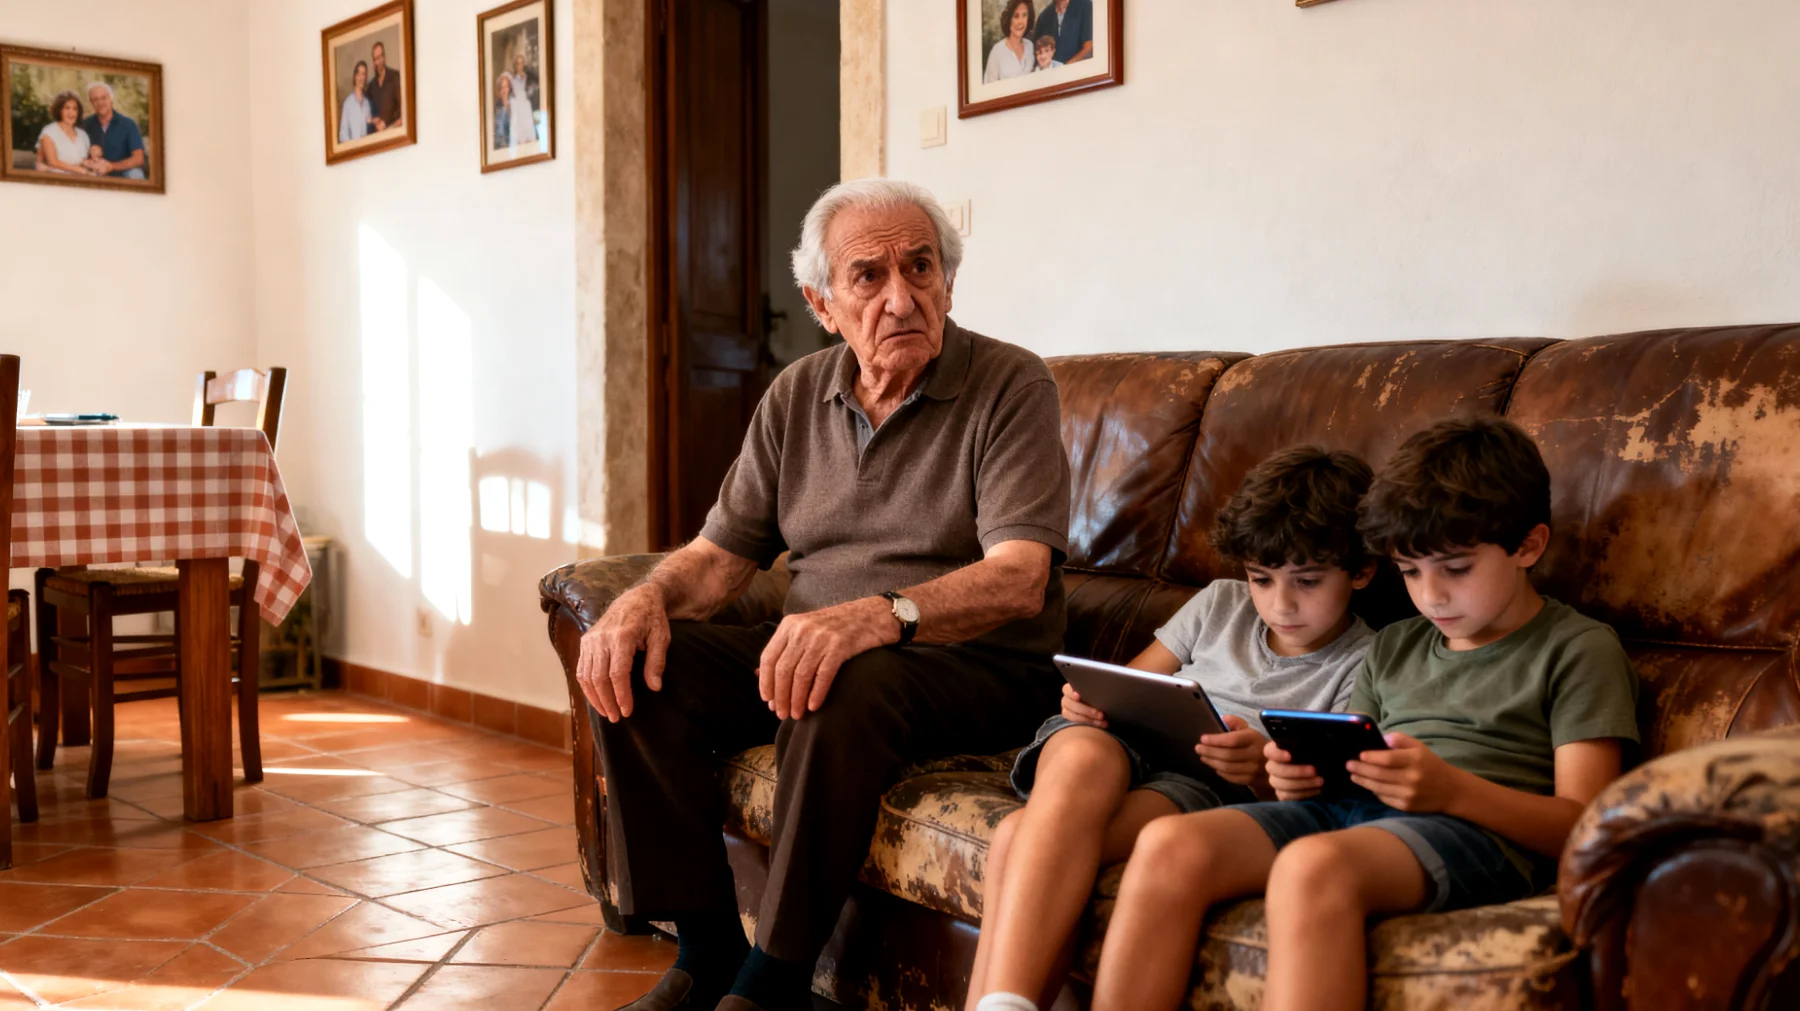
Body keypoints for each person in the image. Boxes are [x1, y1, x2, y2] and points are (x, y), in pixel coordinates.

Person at [577, 177, 1072, 1011]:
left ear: (950, 283)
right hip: (831, 658)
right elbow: (719, 556)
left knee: (840, 669)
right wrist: (642, 598)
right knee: (641, 667)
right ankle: (706, 949)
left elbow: (1021, 576)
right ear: (822, 302)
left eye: (921, 268)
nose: (901, 296)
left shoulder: (1010, 384)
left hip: (977, 664)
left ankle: (775, 979)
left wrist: (879, 616)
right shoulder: (797, 394)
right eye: (868, 277)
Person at [1089, 416, 1641, 1011]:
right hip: (1358, 813)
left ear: (1528, 546)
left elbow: (1587, 827)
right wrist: (1284, 778)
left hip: (1482, 830)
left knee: (1313, 868)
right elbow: (1338, 772)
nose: (1431, 595)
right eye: (1409, 571)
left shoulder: (1578, 647)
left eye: (1455, 569)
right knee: (1170, 844)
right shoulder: (1394, 644)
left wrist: (1452, 791)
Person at [968, 446, 1378, 1011]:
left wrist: (1259, 765)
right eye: (1261, 578)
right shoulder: (1219, 603)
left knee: (1019, 836)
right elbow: (1130, 684)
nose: (1280, 604)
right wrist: (1086, 701)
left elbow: (1317, 793)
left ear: (1361, 571)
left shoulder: (1366, 661)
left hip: (1205, 783)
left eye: (1306, 581)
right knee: (1085, 753)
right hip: (1115, 745)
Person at [77, 82, 146, 180]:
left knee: (135, 174)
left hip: (122, 172)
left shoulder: (128, 124)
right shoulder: (84, 125)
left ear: (111, 98)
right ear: (91, 102)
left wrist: (111, 166)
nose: (100, 103)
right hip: (93, 172)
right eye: (95, 99)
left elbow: (139, 159)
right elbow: (77, 154)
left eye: (103, 98)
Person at [35, 91, 93, 175]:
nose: (71, 113)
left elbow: (84, 161)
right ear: (60, 111)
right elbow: (53, 162)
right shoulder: (49, 132)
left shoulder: (83, 135)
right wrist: (78, 169)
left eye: (74, 109)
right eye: (67, 108)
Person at [983, 0, 1037, 83]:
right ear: (1008, 19)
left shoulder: (1030, 46)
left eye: (1024, 15)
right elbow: (988, 88)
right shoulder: (997, 51)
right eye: (1016, 16)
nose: (1020, 22)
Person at [1036, 0, 1094, 66]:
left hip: (1081, 70)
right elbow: (1039, 55)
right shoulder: (1043, 18)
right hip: (1053, 74)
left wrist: (1064, 70)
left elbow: (1089, 48)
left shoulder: (1085, 6)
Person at [365, 40, 403, 133]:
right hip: (376, 135)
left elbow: (403, 108)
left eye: (380, 57)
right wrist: (373, 121)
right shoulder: (371, 86)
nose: (378, 61)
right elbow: (366, 115)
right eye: (375, 59)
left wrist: (386, 124)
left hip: (394, 131)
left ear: (384, 57)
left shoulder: (395, 77)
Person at [505, 51, 537, 146]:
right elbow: (509, 91)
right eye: (518, 63)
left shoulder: (527, 76)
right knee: (518, 125)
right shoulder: (512, 78)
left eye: (522, 63)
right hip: (516, 103)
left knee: (527, 123)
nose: (520, 65)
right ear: (515, 65)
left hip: (525, 102)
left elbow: (535, 81)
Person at [338, 61, 373, 142]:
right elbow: (342, 135)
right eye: (359, 74)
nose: (361, 77)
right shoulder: (347, 104)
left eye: (364, 74)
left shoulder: (367, 104)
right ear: (355, 76)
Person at [493, 74, 513, 149]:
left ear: (509, 88)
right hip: (499, 144)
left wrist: (506, 104)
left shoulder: (513, 103)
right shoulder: (497, 105)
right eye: (501, 88)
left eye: (506, 87)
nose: (504, 90)